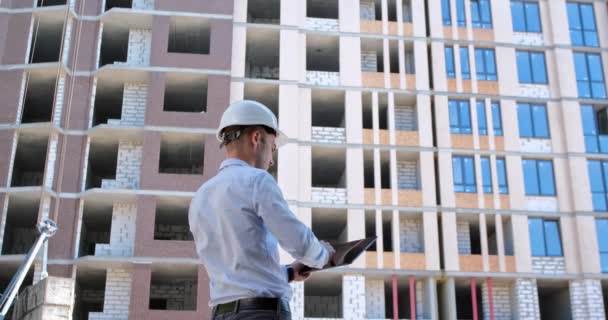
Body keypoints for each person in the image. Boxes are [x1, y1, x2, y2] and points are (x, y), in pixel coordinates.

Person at [189, 100, 335, 320]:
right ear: (256, 138)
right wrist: (325, 256)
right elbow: (299, 242)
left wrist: (288, 273)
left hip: (221, 315)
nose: (272, 159)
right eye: (272, 147)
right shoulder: (257, 180)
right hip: (260, 313)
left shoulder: (200, 196)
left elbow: (236, 267)